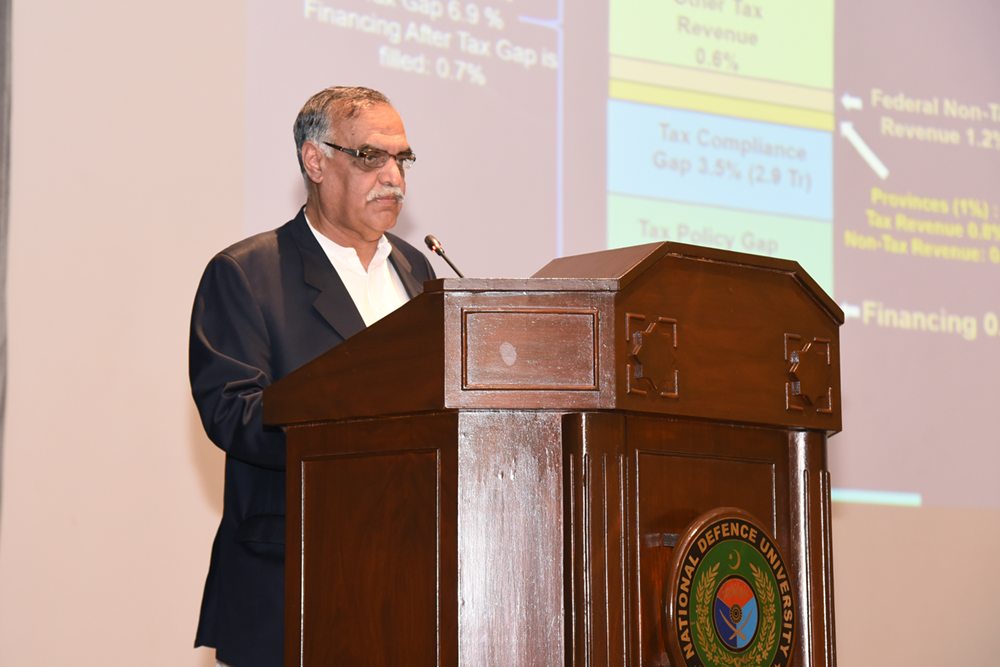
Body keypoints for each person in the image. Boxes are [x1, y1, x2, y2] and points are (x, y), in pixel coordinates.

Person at [188, 86, 436, 667]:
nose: (394, 178)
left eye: (402, 159)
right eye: (372, 157)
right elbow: (234, 415)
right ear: (315, 161)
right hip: (295, 582)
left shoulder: (417, 271)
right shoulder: (247, 274)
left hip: (409, 584)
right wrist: (367, 431)